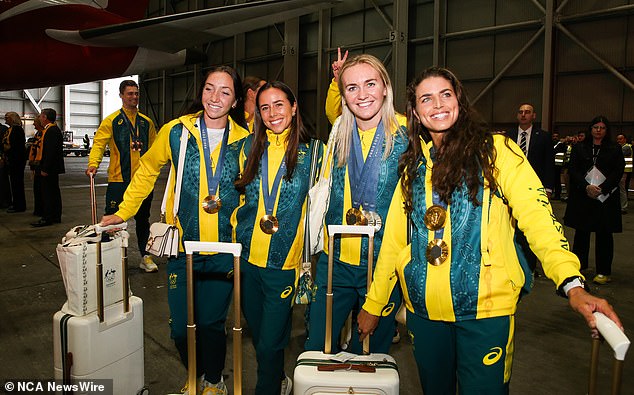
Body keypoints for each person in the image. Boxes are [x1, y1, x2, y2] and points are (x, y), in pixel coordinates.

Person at [357, 67, 622, 394]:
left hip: (486, 313)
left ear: (459, 101)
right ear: (415, 112)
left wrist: (572, 283)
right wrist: (374, 303)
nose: (437, 104)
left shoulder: (498, 152)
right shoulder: (413, 169)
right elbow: (395, 244)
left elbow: (537, 218)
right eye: (426, 98)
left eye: (446, 94)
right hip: (424, 314)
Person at [100, 66, 249, 395]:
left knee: (211, 324)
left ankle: (213, 380)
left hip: (225, 252)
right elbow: (147, 170)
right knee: (181, 329)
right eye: (209, 88)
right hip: (184, 250)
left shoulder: (245, 139)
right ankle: (194, 373)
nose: (215, 97)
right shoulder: (176, 132)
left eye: (225, 92)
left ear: (236, 100)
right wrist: (123, 212)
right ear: (201, 92)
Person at [304, 54, 407, 356]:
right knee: (316, 348)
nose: (362, 95)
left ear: (385, 88)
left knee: (368, 354)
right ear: (344, 96)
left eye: (370, 84)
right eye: (352, 88)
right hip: (335, 263)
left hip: (383, 267)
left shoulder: (410, 134)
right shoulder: (339, 132)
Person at [232, 81, 323, 395]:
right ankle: (279, 380)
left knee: (270, 344)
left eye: (279, 104)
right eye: (265, 107)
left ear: (294, 106)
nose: (272, 113)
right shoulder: (246, 148)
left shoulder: (314, 154)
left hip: (283, 264)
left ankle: (267, 388)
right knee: (260, 338)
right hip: (247, 261)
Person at [86, 80, 159, 273]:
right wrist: (93, 163)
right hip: (118, 180)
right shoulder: (111, 121)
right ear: (121, 95)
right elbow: (99, 144)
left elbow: (155, 149)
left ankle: (145, 256)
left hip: (142, 181)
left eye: (136, 94)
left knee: (143, 220)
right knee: (113, 221)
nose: (134, 97)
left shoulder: (146, 122)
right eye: (130, 94)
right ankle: (112, 259)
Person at [564, 117, 624, 284]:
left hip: (605, 197)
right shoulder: (579, 148)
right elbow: (573, 169)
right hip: (583, 196)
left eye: (602, 128)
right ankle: (579, 267)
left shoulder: (615, 148)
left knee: (604, 234)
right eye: (596, 127)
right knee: (581, 233)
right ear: (590, 129)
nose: (598, 130)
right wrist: (586, 187)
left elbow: (618, 171)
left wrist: (602, 188)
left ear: (606, 130)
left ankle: (603, 271)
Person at [507, 103, 555, 276]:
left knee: (532, 227)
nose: (523, 115)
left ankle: (530, 266)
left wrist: (548, 188)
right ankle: (512, 263)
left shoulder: (543, 137)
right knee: (511, 228)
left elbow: (549, 164)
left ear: (534, 116)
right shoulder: (509, 136)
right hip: (511, 188)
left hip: (535, 188)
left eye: (527, 112)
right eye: (520, 112)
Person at [32, 108, 64, 227]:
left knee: (48, 193)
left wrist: (45, 168)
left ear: (45, 117)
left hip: (49, 168)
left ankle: (48, 217)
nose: (39, 118)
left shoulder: (51, 131)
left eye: (41, 116)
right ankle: (54, 216)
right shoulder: (51, 129)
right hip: (51, 167)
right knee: (53, 192)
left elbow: (50, 152)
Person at [3, 112, 27, 212]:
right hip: (12, 159)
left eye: (7, 117)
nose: (5, 119)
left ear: (12, 119)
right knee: (14, 182)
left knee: (17, 183)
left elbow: (17, 146)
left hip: (17, 160)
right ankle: (16, 203)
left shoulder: (17, 130)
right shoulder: (10, 129)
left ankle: (19, 205)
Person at [29, 116, 45, 217]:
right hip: (35, 164)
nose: (33, 124)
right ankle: (38, 209)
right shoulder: (38, 133)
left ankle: (42, 210)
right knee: (37, 189)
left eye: (35, 122)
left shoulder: (44, 133)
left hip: (40, 164)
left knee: (41, 189)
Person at [616, 133, 632, 213]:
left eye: (620, 139)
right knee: (622, 189)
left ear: (625, 139)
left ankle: (623, 207)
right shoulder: (622, 147)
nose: (618, 141)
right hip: (623, 170)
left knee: (622, 189)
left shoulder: (626, 147)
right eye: (618, 139)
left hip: (625, 171)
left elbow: (617, 155)